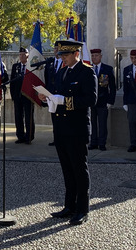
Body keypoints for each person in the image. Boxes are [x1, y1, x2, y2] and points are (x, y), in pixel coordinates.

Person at [39, 39, 98, 226]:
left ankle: (82, 209)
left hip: (77, 128)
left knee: (79, 169)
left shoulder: (87, 72)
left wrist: (64, 100)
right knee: (67, 169)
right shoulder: (62, 71)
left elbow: (90, 99)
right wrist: (46, 99)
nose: (62, 58)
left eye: (65, 55)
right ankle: (69, 206)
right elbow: (57, 96)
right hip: (61, 128)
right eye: (61, 55)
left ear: (76, 54)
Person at [89, 48, 116, 151]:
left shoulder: (107, 69)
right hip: (91, 101)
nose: (94, 57)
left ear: (100, 56)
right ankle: (93, 142)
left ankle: (102, 143)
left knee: (102, 123)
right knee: (93, 123)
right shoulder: (88, 68)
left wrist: (110, 101)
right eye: (93, 56)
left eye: (96, 55)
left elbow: (112, 87)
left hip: (103, 101)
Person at [9, 47, 34, 144]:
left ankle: (29, 136)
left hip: (28, 96)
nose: (21, 56)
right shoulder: (16, 66)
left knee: (29, 117)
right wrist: (13, 95)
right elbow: (12, 82)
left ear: (28, 55)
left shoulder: (31, 66)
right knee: (18, 116)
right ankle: (20, 136)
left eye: (23, 54)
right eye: (20, 54)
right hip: (18, 95)